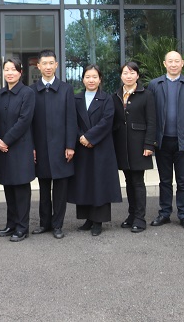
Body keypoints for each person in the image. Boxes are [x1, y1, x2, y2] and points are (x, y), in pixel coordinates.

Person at [147, 51, 184, 231]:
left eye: (176, 61)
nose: (173, 64)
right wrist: (150, 140)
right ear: (165, 64)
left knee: (183, 181)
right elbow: (150, 114)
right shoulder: (155, 85)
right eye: (170, 61)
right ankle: (164, 213)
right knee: (164, 180)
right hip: (162, 141)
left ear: (182, 63)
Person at [68, 65, 122, 237]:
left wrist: (90, 137)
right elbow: (71, 121)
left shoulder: (107, 99)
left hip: (101, 147)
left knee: (99, 183)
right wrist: (81, 137)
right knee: (84, 183)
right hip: (82, 147)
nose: (91, 80)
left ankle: (98, 221)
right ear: (83, 79)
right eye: (87, 77)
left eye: (94, 77)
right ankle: (88, 219)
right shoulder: (76, 98)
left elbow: (107, 121)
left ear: (100, 79)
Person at [30, 50, 77, 239]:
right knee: (43, 188)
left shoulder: (66, 89)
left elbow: (71, 120)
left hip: (61, 148)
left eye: (51, 63)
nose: (48, 67)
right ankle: (44, 223)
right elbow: (29, 123)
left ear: (56, 65)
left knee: (60, 189)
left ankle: (58, 225)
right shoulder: (32, 91)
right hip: (40, 147)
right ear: (38, 66)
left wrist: (70, 145)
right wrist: (31, 147)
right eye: (44, 63)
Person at [0, 58, 36, 242]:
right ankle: (11, 224)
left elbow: (24, 121)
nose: (9, 73)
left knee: (21, 189)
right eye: (6, 69)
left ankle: (22, 227)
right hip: (2, 148)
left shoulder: (27, 93)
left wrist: (6, 140)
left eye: (13, 69)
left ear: (20, 72)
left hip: (20, 148)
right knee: (8, 187)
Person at [112, 61, 156, 233]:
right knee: (128, 181)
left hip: (139, 144)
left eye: (132, 73)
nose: (128, 76)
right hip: (122, 144)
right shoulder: (116, 95)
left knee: (138, 181)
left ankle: (140, 218)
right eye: (125, 73)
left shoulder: (147, 95)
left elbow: (152, 121)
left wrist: (149, 144)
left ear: (137, 75)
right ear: (121, 76)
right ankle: (131, 215)